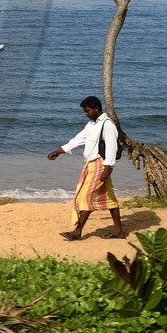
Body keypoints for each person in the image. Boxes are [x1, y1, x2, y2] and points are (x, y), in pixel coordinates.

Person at [46, 95, 125, 240]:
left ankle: (77, 231)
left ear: (96, 109)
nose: (86, 114)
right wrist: (58, 152)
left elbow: (112, 147)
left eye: (88, 111)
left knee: (85, 196)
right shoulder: (91, 125)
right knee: (109, 199)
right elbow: (78, 140)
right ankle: (119, 231)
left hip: (101, 165)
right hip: (90, 164)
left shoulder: (107, 125)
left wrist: (108, 168)